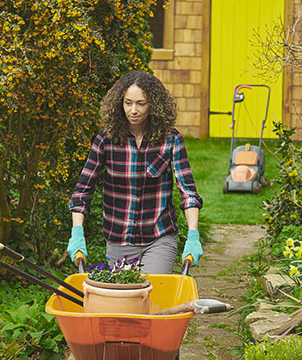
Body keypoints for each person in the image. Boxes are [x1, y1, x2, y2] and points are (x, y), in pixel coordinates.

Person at [67, 70, 203, 274]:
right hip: (119, 240)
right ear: (119, 103)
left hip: (159, 237)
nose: (133, 110)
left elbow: (188, 192)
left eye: (141, 104)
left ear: (154, 106)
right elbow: (82, 193)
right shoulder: (106, 141)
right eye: (128, 102)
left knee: (153, 295)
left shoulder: (170, 140)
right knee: (127, 301)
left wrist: (193, 235)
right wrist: (77, 233)